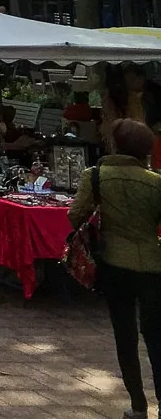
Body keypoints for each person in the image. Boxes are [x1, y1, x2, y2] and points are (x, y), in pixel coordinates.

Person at [71, 117, 161, 419]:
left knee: (125, 336)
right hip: (153, 265)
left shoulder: (95, 176)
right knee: (156, 336)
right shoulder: (156, 182)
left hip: (113, 264)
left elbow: (75, 216)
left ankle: (138, 406)